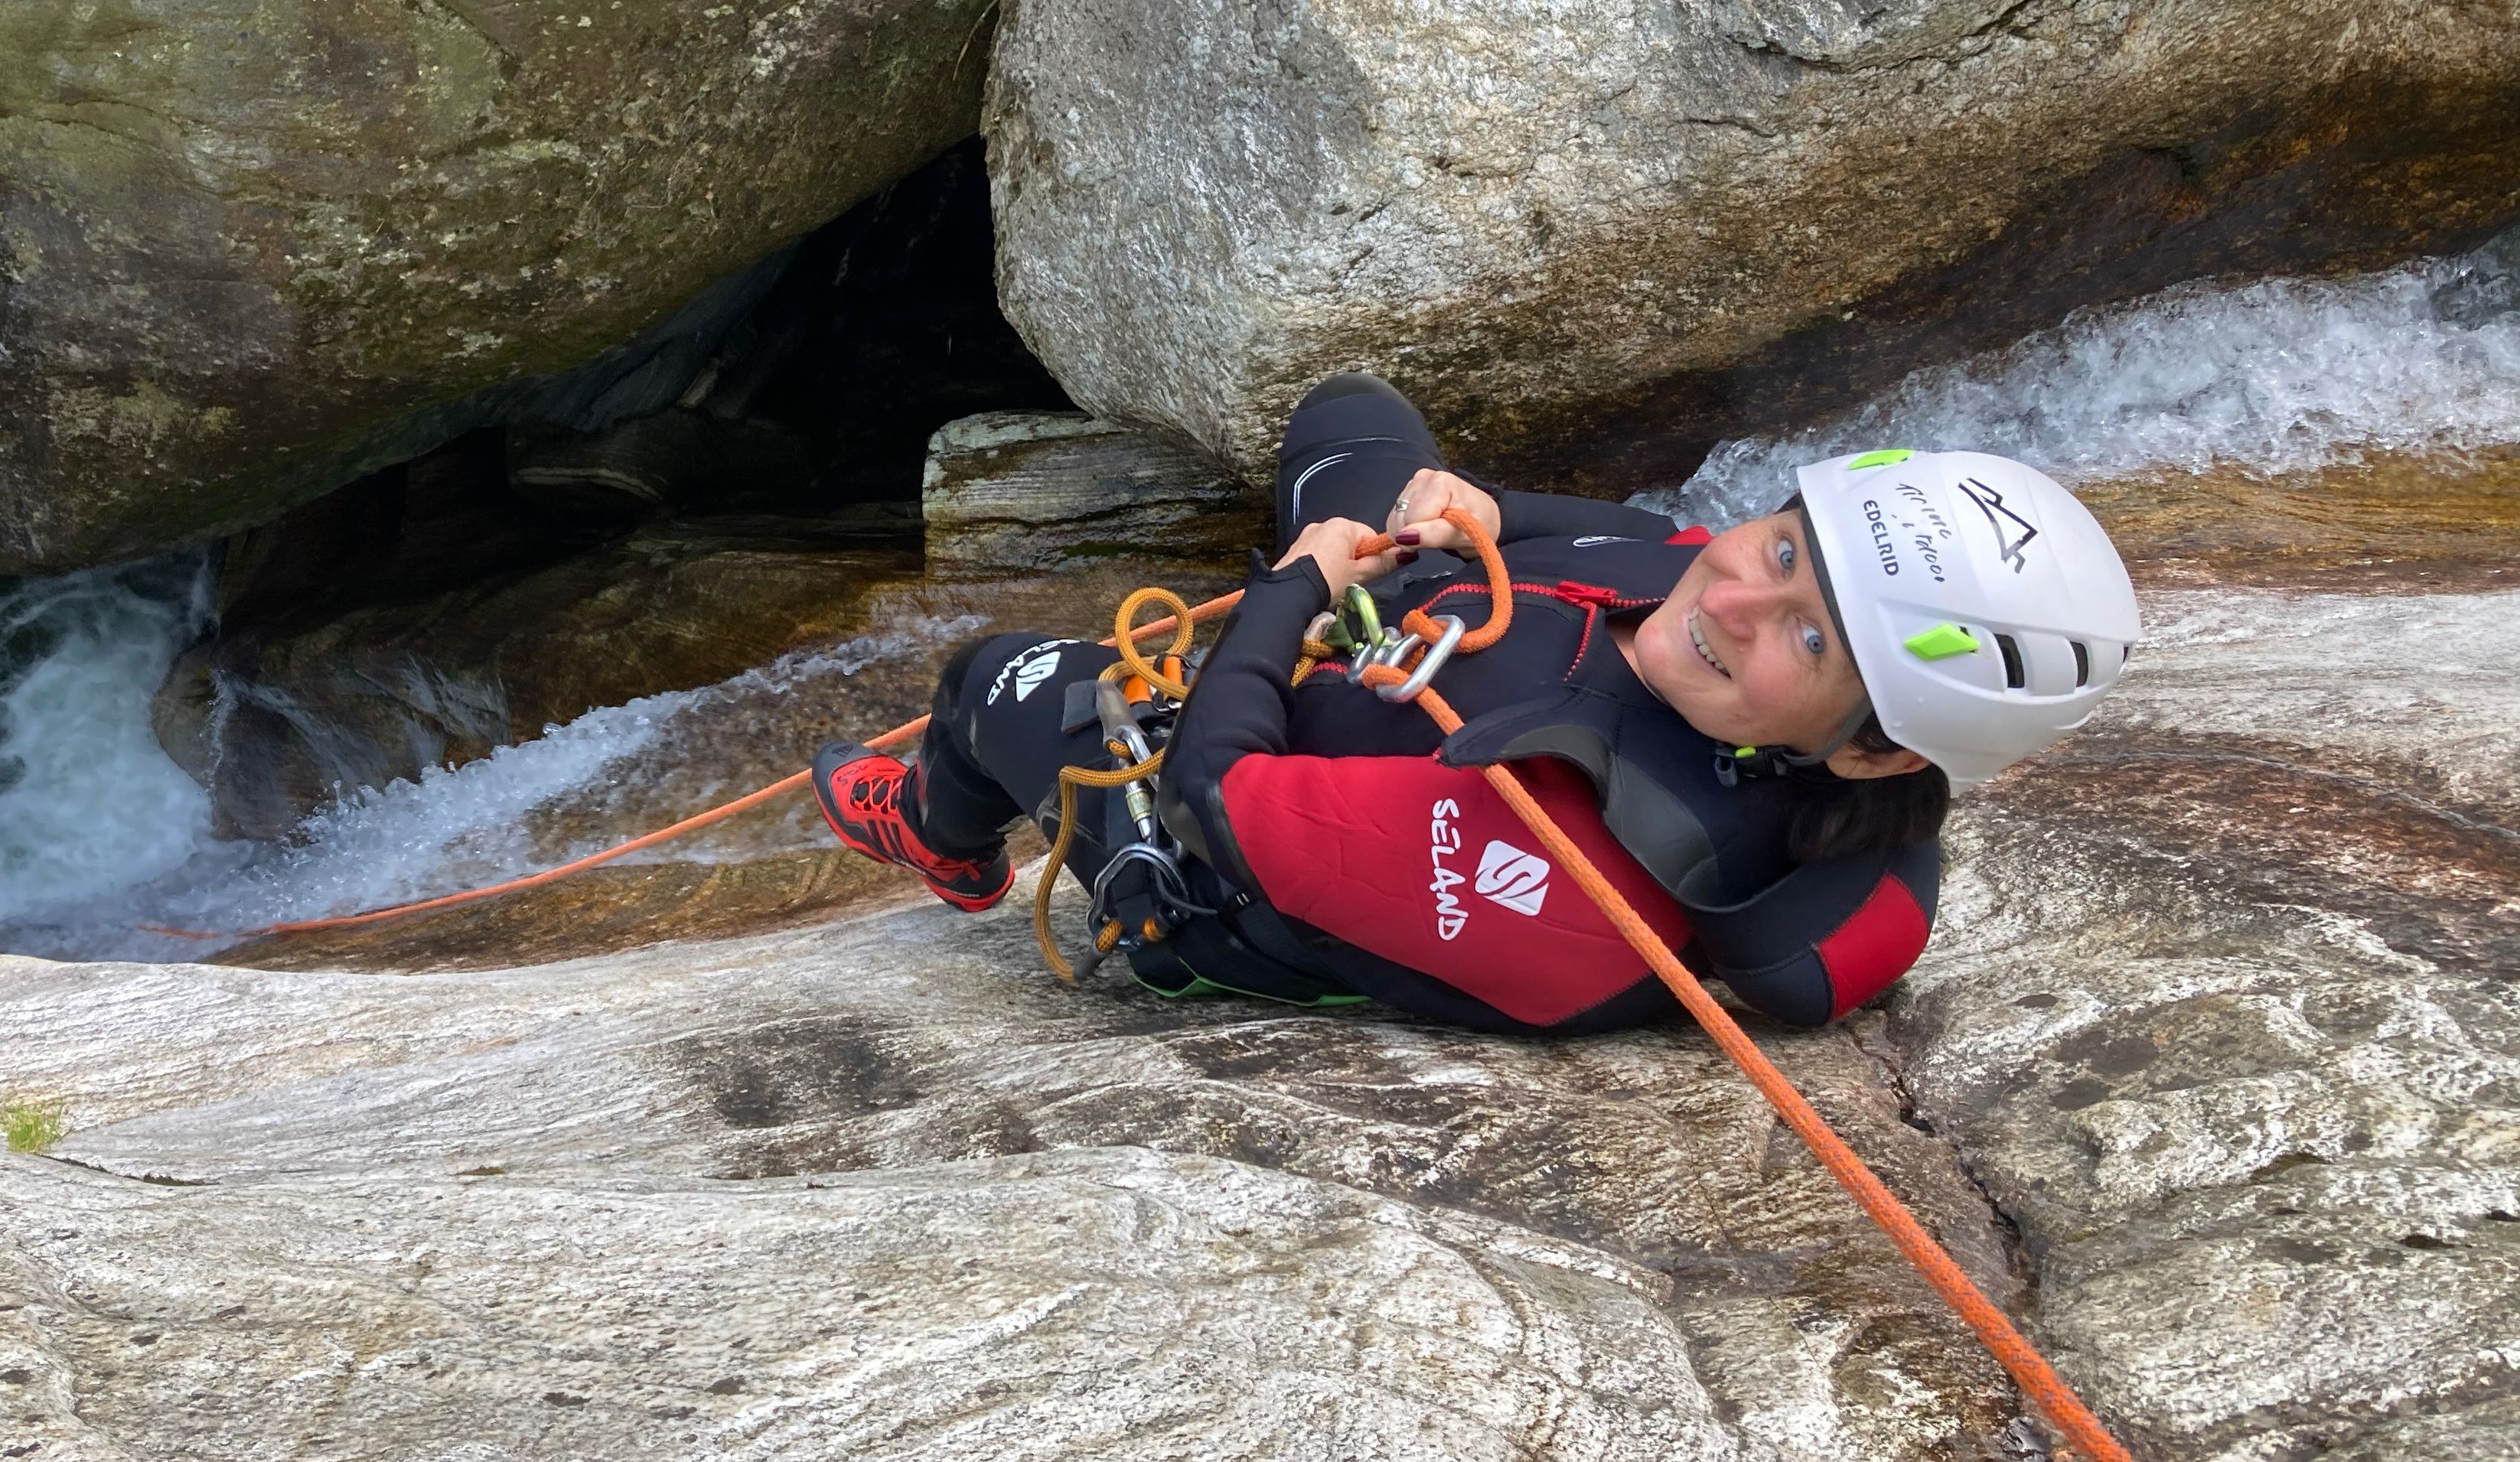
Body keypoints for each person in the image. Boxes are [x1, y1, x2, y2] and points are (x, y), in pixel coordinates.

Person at [813, 373, 2140, 1033]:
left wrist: (1287, 599)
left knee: (989, 679)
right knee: (1352, 410)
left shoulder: (1575, 864)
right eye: (1788, 548)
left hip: (1216, 850)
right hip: (1398, 634)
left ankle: (941, 832)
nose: (1736, 596)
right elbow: (1652, 539)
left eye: (1809, 635)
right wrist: (1489, 515)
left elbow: (1222, 806)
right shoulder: (1721, 610)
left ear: (1863, 756)